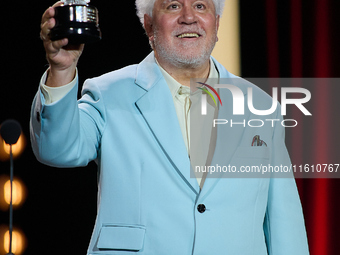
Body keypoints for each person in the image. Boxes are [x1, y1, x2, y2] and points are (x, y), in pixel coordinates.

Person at [30, 0, 310, 254]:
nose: (189, 18)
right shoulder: (108, 93)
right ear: (148, 22)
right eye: (174, 6)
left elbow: (283, 222)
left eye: (201, 6)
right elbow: (57, 150)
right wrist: (62, 71)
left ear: (217, 22)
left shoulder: (261, 106)